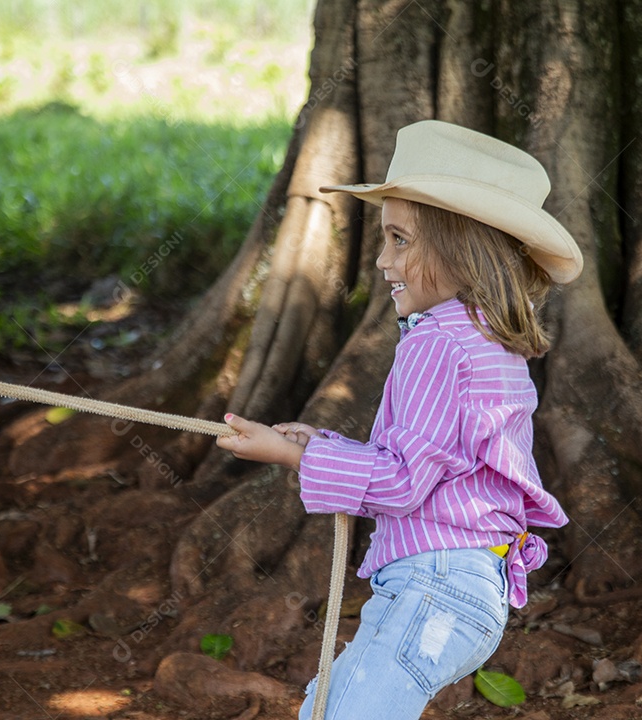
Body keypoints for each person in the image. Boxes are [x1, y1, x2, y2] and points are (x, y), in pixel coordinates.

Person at [216, 119, 583, 719]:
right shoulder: (486, 341)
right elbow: (429, 461)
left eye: (400, 240)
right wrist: (324, 442)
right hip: (462, 588)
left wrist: (292, 455)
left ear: (462, 247)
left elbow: (401, 482)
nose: (383, 261)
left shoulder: (436, 343)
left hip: (434, 589)